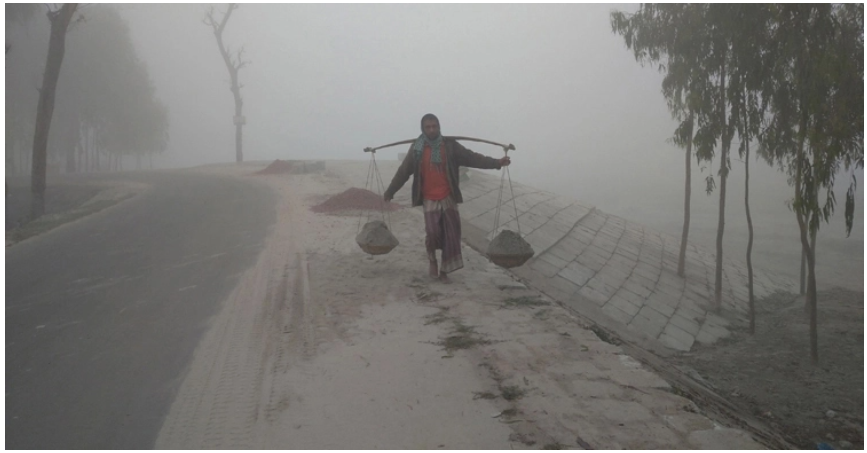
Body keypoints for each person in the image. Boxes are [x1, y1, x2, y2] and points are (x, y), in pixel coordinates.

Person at [384, 113, 511, 282]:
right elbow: (403, 172)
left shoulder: (450, 146)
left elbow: (472, 158)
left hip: (448, 196)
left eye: (434, 126)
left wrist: (496, 163)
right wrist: (390, 192)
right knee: (432, 233)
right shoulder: (417, 148)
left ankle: (445, 270)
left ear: (439, 127)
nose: (431, 130)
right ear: (423, 129)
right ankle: (432, 259)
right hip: (429, 197)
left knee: (450, 235)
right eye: (428, 127)